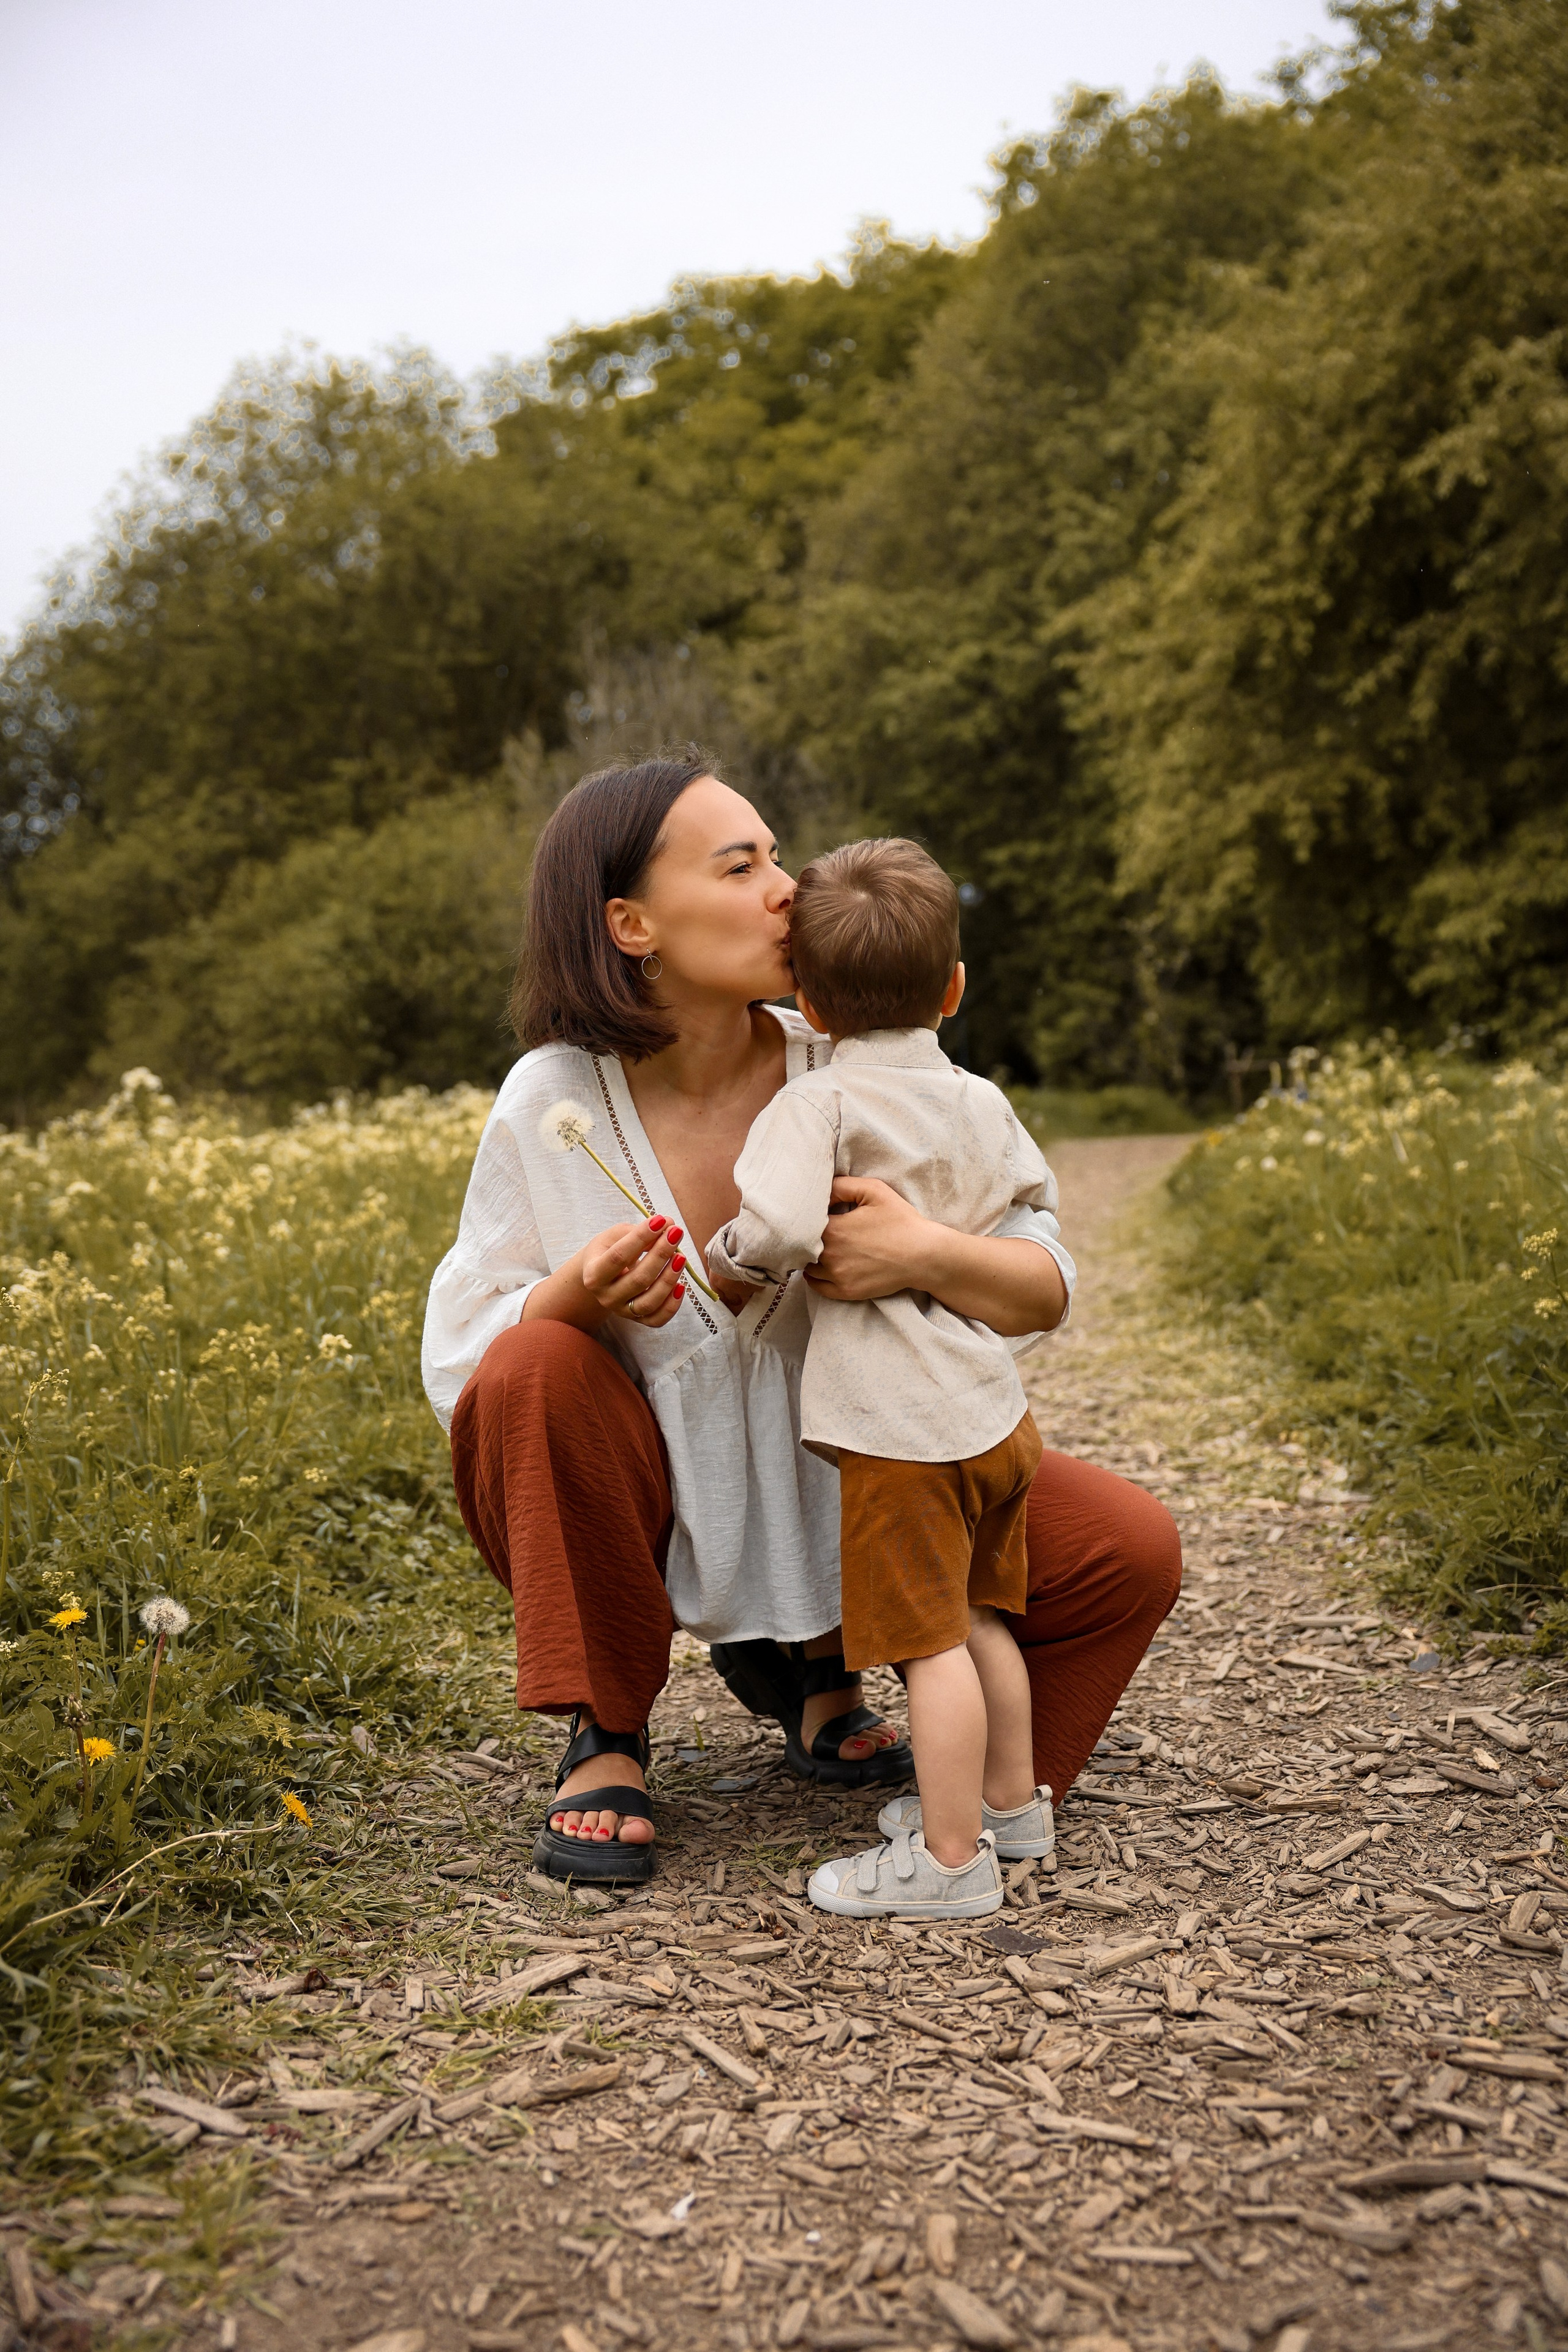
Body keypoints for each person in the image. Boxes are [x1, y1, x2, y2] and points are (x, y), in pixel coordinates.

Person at [421, 751, 1182, 1887]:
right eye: (743, 866)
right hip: (659, 1486)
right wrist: (576, 1295)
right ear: (632, 923)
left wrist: (923, 1252)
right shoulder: (556, 1098)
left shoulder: (861, 1062)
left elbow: (1041, 1271)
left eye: (780, 856)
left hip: (869, 1481)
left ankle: (946, 1774)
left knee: (1129, 1554)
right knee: (534, 1360)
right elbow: (464, 1343)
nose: (788, 886)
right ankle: (607, 1730)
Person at [708, 839, 1055, 1920]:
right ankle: (1011, 1811)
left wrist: (725, 1259)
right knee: (985, 1620)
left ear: (805, 998)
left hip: (902, 1432)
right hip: (993, 1412)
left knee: (925, 1644)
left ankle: (949, 1862)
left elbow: (773, 1223)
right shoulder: (979, 1098)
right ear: (953, 989)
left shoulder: (821, 1104)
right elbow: (1028, 1207)